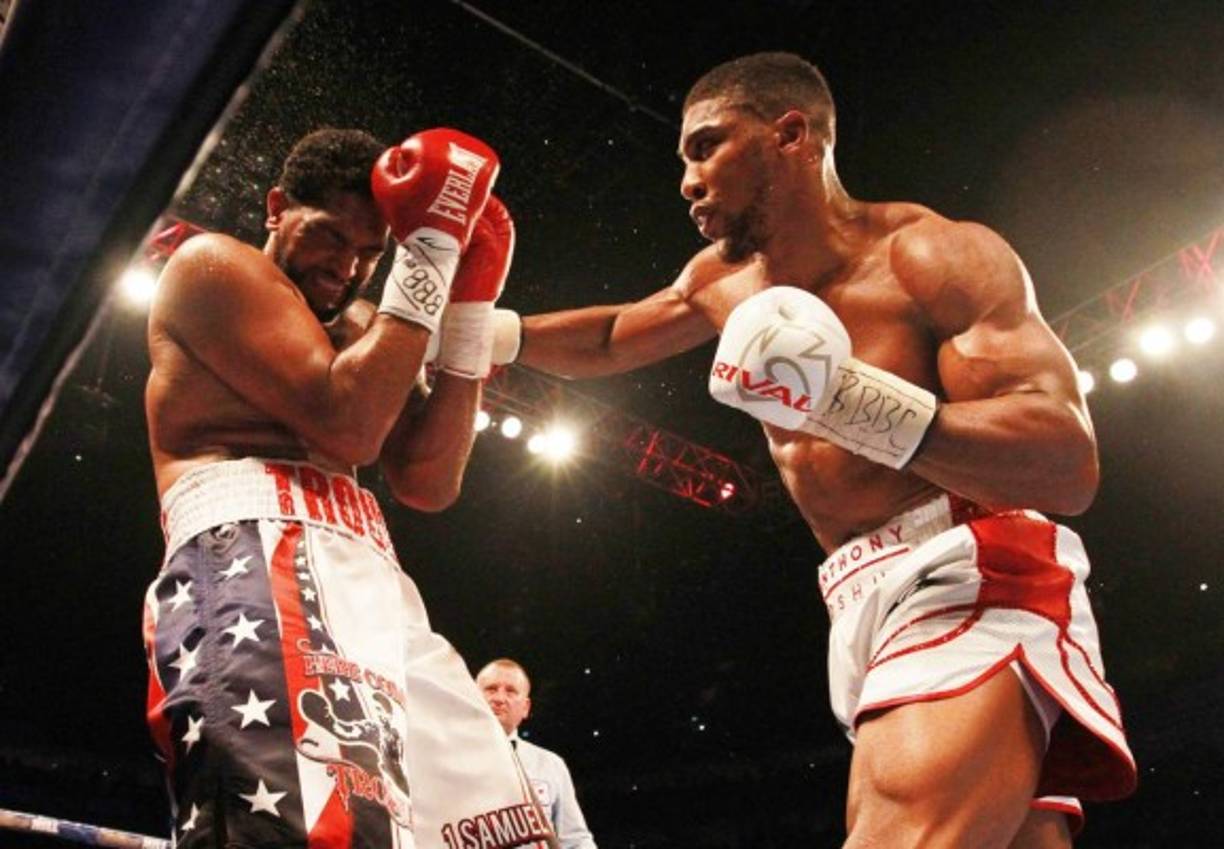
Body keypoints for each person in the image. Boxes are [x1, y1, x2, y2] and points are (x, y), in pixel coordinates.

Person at [505, 53, 1137, 847]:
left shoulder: (931, 255)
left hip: (969, 569)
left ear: (791, 133)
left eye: (705, 147)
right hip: (856, 599)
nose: (686, 181)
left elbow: (1066, 461)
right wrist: (489, 334)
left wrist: (847, 401)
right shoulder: (721, 280)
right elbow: (608, 336)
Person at [142, 127, 553, 848]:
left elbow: (428, 480)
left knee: (501, 832)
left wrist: (467, 307)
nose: (348, 267)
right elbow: (347, 429)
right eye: (330, 236)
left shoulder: (368, 324)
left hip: (373, 575)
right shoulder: (213, 267)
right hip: (253, 554)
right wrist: (428, 254)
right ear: (275, 207)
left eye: (371, 251)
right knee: (314, 833)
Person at [476, 659, 598, 849]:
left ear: (525, 708)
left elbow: (575, 840)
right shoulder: (443, 759)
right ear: (472, 697)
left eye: (510, 691)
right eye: (491, 689)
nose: (499, 698)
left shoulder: (550, 764)